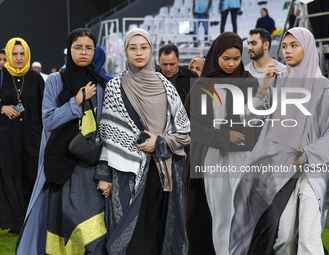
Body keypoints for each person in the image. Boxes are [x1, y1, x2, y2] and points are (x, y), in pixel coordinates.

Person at [230, 27, 329, 255]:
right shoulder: (278, 82)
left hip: (313, 170)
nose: (287, 51)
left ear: (307, 49)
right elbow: (250, 118)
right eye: (286, 46)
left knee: (308, 237)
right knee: (285, 239)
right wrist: (263, 89)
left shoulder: (325, 88)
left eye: (294, 45)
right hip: (280, 169)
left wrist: (309, 153)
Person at [96, 28, 190, 254]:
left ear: (151, 50)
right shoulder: (114, 87)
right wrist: (104, 176)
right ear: (126, 51)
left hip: (162, 172)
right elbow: (107, 136)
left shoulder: (166, 86)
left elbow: (184, 132)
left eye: (144, 47)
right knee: (130, 237)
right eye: (133, 48)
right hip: (126, 174)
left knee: (159, 232)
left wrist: (159, 143)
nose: (139, 53)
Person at [16, 28, 108, 254]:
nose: (83, 52)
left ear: (94, 51)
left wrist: (106, 172)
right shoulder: (56, 80)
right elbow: (48, 121)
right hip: (62, 167)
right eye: (78, 47)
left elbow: (106, 128)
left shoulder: (102, 83)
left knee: (95, 235)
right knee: (64, 233)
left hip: (92, 167)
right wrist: (76, 102)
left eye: (88, 48)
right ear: (70, 52)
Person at [185, 32, 259, 255]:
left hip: (247, 158)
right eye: (226, 58)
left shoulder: (251, 82)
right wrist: (222, 135)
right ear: (216, 54)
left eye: (236, 58)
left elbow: (260, 120)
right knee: (222, 217)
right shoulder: (202, 85)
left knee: (247, 218)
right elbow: (191, 125)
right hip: (214, 157)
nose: (231, 63)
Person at [0, 38, 44, 236]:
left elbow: (45, 108)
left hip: (32, 138)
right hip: (7, 138)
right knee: (10, 177)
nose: (18, 58)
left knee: (31, 177)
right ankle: (15, 223)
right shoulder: (1, 75)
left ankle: (31, 220)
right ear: (9, 55)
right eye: (15, 54)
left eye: (22, 54)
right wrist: (3, 108)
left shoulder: (35, 79)